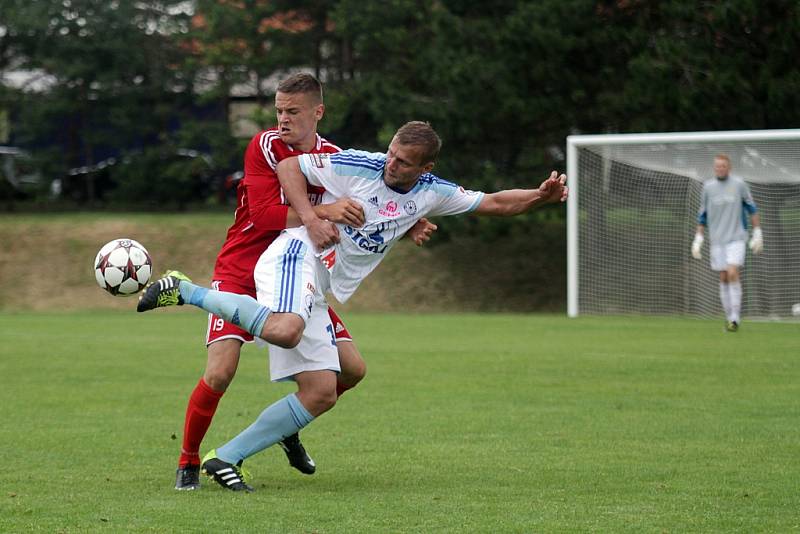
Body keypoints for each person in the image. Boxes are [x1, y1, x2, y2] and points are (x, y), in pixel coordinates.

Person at [138, 121, 567, 492]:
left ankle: (228, 455)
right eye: (392, 153)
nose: (391, 164)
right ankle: (186, 290)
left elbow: (492, 202)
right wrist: (311, 216)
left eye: (403, 162)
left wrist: (540, 196)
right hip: (294, 256)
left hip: (317, 282)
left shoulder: (433, 193)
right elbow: (289, 166)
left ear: (425, 169)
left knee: (342, 378)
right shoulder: (361, 165)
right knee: (284, 330)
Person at [172, 73, 435, 491]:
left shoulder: (333, 156)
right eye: (278, 110)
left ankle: (287, 425)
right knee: (221, 372)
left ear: (318, 112)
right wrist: (323, 214)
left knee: (352, 370)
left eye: (292, 111)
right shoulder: (265, 146)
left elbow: (378, 197)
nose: (282, 119)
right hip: (242, 269)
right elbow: (263, 217)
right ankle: (188, 461)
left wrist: (411, 220)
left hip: (297, 275)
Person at [691, 153, 763, 331]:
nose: (720, 169)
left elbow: (752, 208)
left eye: (723, 166)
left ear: (729, 167)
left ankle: (735, 319)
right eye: (717, 166)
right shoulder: (708, 187)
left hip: (737, 237)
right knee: (723, 277)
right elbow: (702, 215)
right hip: (717, 240)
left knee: (732, 272)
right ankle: (729, 317)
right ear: (714, 168)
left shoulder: (739, 184)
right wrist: (698, 239)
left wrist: (757, 233)